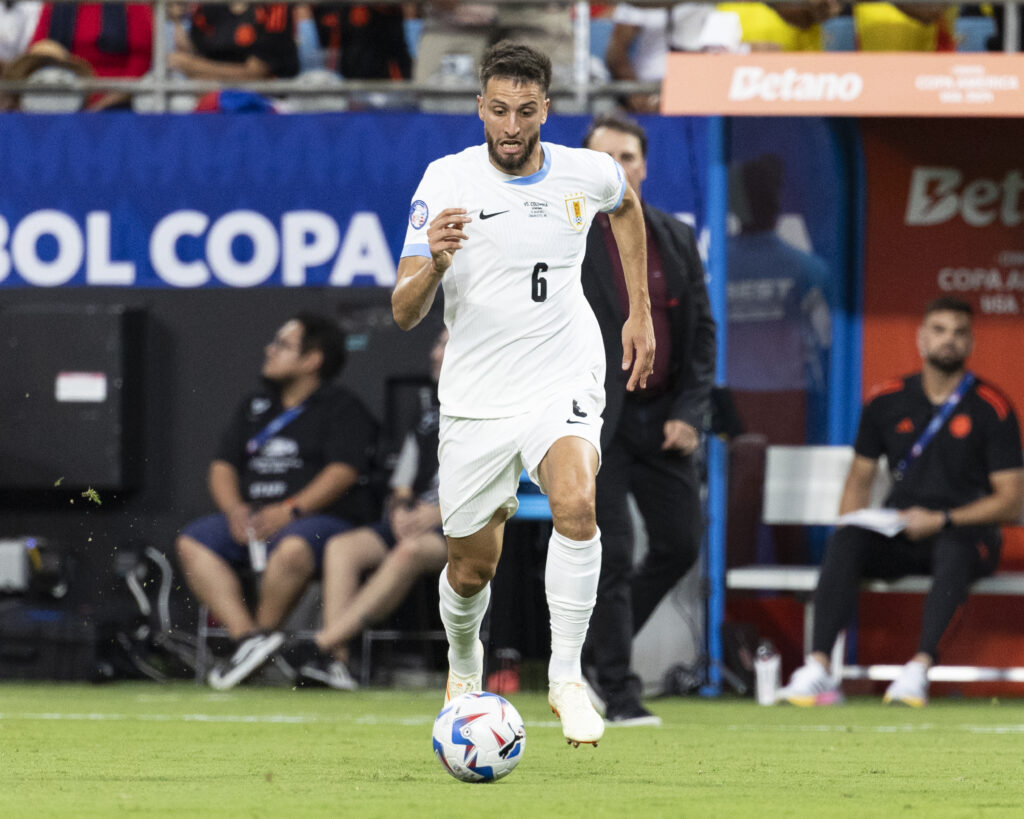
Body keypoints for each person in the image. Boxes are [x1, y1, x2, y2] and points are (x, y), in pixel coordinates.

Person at [392, 41, 654, 747]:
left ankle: (566, 678)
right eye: (499, 110)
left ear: (547, 109)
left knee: (575, 501)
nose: (511, 125)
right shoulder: (446, 181)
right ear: (481, 107)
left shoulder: (585, 170)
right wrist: (436, 263)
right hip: (478, 393)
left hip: (561, 374)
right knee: (471, 566)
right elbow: (404, 310)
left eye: (526, 111)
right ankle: (465, 660)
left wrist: (640, 310)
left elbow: (625, 204)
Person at [778, 297, 1024, 707]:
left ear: (971, 343)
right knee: (847, 540)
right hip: (901, 529)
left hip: (964, 532)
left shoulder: (991, 407)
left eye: (959, 332)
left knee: (954, 549)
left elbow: (1011, 502)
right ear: (921, 337)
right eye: (940, 330)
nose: (949, 340)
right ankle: (818, 667)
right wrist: (851, 526)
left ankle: (918, 670)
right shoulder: (886, 400)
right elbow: (860, 478)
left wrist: (942, 519)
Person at [578, 115, 716, 726]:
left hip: (662, 417)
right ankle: (619, 689)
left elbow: (702, 332)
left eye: (628, 156)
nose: (618, 168)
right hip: (592, 417)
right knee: (611, 553)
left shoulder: (674, 236)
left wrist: (691, 412)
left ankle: (593, 649)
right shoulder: (565, 238)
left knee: (681, 542)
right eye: (603, 157)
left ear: (644, 165)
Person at [176, 312, 379, 690]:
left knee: (292, 548)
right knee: (193, 542)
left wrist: (291, 509)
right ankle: (248, 640)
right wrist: (234, 508)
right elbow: (223, 465)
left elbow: (343, 472)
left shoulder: (341, 407)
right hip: (252, 517)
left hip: (318, 521)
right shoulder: (256, 404)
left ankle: (264, 634)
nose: (270, 351)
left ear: (312, 360)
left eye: (283, 345)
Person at [299, 330, 449, 690]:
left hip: (463, 528)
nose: (434, 354)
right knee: (341, 547)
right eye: (437, 343)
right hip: (416, 521)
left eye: (444, 345)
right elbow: (403, 479)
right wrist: (399, 509)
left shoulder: (494, 413)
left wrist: (442, 513)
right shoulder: (428, 417)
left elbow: (501, 482)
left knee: (408, 551)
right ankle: (338, 665)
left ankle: (322, 644)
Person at [168, 3, 299, 82]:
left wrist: (193, 65)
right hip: (214, 94)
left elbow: (256, 73)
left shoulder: (275, 7)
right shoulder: (206, 8)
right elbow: (193, 57)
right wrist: (176, 22)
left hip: (268, 98)